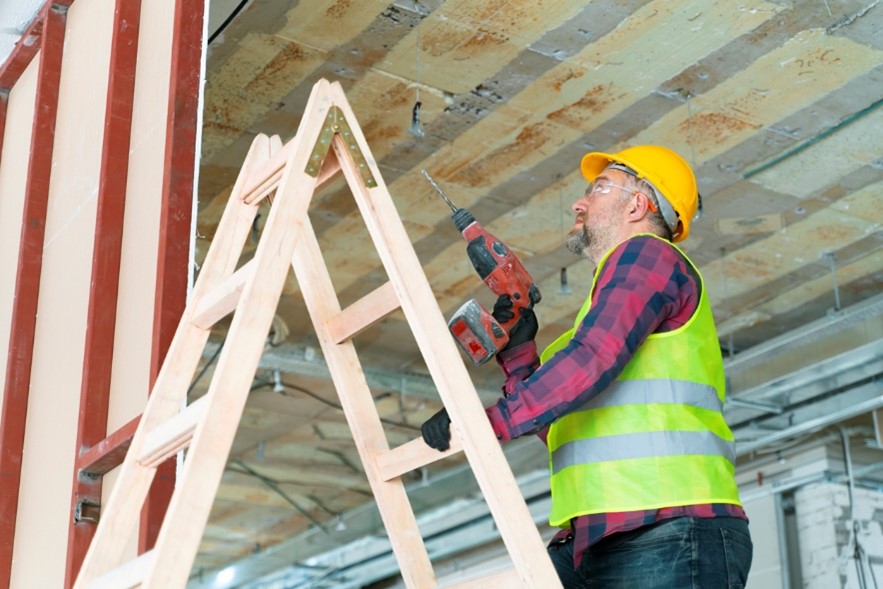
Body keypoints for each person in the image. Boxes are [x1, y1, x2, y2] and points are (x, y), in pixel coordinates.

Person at [421, 145, 753, 588]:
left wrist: (484, 424)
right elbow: (561, 423)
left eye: (598, 189)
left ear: (639, 204)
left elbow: (592, 359)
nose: (579, 203)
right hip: (600, 538)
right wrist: (520, 355)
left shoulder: (648, 257)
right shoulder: (598, 317)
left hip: (669, 528)